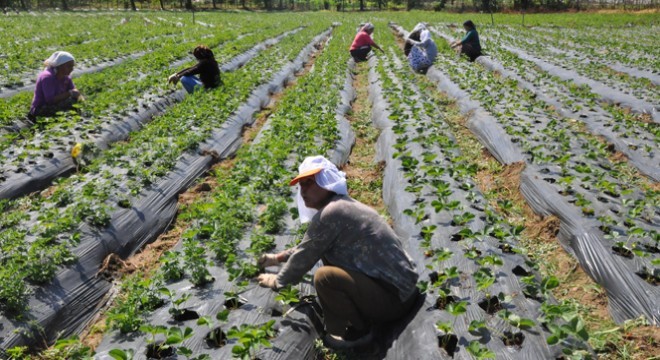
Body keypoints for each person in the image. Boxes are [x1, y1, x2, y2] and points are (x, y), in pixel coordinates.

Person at [256, 156, 419, 349]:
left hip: (396, 300)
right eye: (301, 185)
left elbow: (304, 256)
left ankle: (360, 333)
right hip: (403, 291)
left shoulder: (331, 213)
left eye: (309, 183)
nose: (303, 190)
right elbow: (309, 246)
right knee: (327, 256)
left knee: (325, 277)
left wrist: (277, 281)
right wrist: (277, 258)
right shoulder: (341, 206)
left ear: (326, 182)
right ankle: (357, 319)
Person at [29, 51, 83, 120]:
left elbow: (75, 91)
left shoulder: (66, 77)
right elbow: (50, 100)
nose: (72, 69)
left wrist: (81, 99)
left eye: (72, 66)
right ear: (60, 66)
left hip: (54, 105)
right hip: (41, 108)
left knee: (74, 100)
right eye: (69, 66)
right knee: (70, 102)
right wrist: (69, 93)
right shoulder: (47, 77)